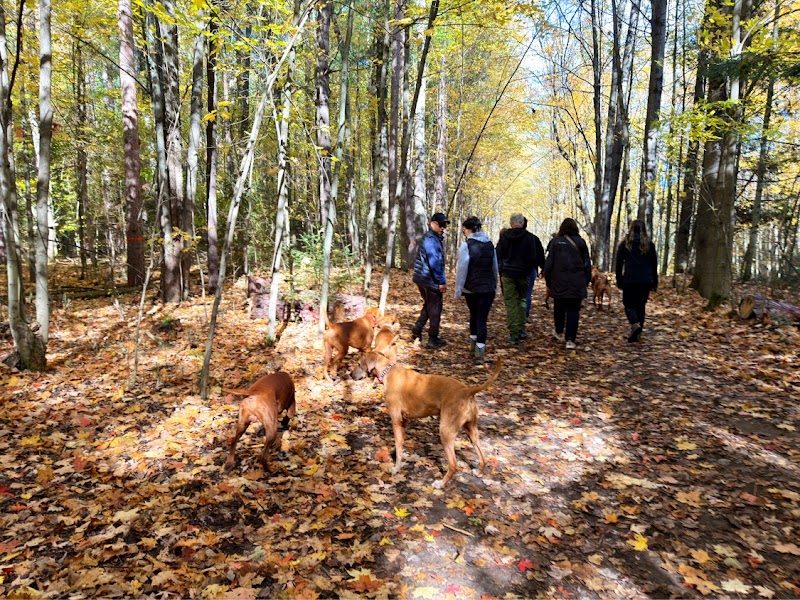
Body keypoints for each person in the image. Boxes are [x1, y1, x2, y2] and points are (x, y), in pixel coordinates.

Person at [455, 216, 498, 363]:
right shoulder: (490, 245)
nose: (464, 233)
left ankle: (474, 347)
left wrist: (458, 289)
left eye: (464, 230)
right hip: (488, 289)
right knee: (482, 318)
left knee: (474, 315)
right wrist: (495, 285)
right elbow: (494, 267)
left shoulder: (466, 246)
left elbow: (462, 269)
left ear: (469, 229)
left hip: (471, 288)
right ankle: (480, 350)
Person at [543, 218, 592, 350]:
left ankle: (559, 331)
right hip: (577, 281)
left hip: (559, 281)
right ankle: (570, 339)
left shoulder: (555, 242)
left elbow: (549, 264)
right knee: (573, 310)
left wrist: (548, 281)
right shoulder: (581, 242)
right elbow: (587, 264)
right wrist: (586, 280)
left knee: (559, 307)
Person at [495, 213, 539, 344]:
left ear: (511, 223)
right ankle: (521, 329)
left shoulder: (504, 237)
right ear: (522, 223)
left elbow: (498, 255)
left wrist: (501, 270)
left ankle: (514, 333)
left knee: (511, 303)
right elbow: (533, 257)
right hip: (523, 274)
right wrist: (529, 269)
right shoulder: (530, 238)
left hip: (508, 274)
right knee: (522, 300)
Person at [615, 219, 658, 342]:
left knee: (628, 304)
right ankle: (638, 332)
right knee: (641, 306)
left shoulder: (625, 244)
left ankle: (635, 324)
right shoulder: (649, 245)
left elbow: (618, 264)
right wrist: (654, 282)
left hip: (630, 280)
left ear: (631, 229)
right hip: (645, 280)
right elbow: (654, 265)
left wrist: (619, 279)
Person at [412, 212, 449, 348]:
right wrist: (441, 281)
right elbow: (434, 262)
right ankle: (433, 338)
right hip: (429, 279)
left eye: (444, 225)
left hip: (423, 278)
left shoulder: (432, 238)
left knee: (429, 304)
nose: (442, 228)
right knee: (435, 308)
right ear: (433, 224)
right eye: (440, 225)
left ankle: (418, 327)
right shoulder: (431, 240)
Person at [522, 217, 546, 321]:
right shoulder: (534, 238)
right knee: (527, 293)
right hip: (530, 269)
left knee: (516, 295)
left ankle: (516, 317)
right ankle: (525, 316)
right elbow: (540, 255)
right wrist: (543, 268)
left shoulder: (508, 237)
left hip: (512, 271)